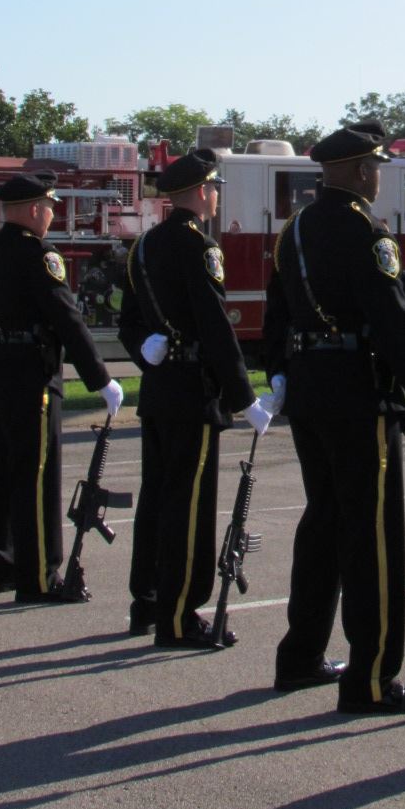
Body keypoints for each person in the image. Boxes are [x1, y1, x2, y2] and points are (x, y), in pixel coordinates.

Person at [263, 124, 405, 712]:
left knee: (323, 524)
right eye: (375, 167)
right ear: (359, 172)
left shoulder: (295, 228)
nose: (378, 176)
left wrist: (278, 372)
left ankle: (301, 655)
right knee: (372, 537)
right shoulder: (364, 229)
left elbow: (278, 309)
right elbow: (395, 322)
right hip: (357, 393)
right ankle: (372, 678)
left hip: (309, 390)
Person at [118, 147, 267, 649]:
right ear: (202, 192)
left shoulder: (144, 246)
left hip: (160, 387)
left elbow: (128, 322)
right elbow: (214, 323)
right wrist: (243, 397)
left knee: (157, 499)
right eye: (214, 189)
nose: (216, 197)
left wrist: (144, 348)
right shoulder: (199, 245)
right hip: (193, 390)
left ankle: (148, 600)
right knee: (189, 506)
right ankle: (180, 615)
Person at [0, 171, 123, 604]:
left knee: (2, 472)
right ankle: (38, 576)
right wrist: (100, 378)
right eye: (50, 207)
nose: (52, 215)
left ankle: (2, 565)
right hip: (33, 374)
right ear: (34, 209)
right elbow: (66, 317)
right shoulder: (39, 253)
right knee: (36, 476)